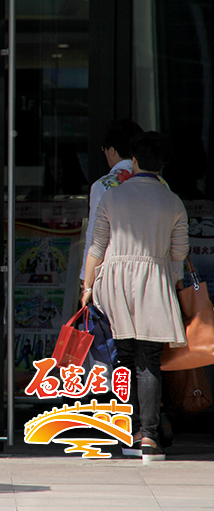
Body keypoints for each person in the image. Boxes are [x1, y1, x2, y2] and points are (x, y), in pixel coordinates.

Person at [83, 132, 189, 464]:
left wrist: (87, 288)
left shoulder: (112, 197)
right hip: (154, 280)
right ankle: (149, 438)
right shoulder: (173, 201)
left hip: (114, 281)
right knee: (149, 360)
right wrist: (171, 282)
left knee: (123, 357)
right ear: (163, 164)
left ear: (136, 161)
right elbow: (179, 253)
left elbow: (96, 248)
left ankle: (124, 432)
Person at [80, 119, 143, 287]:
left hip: (115, 275)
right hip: (153, 274)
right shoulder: (160, 184)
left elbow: (94, 237)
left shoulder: (104, 185)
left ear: (112, 151)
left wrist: (86, 280)